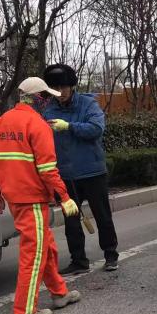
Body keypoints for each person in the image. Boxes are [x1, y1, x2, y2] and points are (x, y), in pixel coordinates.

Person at [0, 77, 82, 314]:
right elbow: (48, 170)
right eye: (46, 97)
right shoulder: (38, 126)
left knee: (45, 247)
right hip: (32, 199)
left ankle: (60, 293)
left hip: (14, 197)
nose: (48, 102)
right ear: (39, 98)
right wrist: (65, 197)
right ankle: (24, 311)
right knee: (34, 254)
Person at [42, 63, 119, 274]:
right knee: (71, 221)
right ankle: (78, 260)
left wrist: (69, 126)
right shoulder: (49, 110)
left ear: (71, 86)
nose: (60, 93)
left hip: (92, 172)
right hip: (66, 175)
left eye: (63, 88)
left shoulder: (88, 104)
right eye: (55, 89)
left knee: (102, 216)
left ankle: (111, 255)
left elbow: (96, 129)